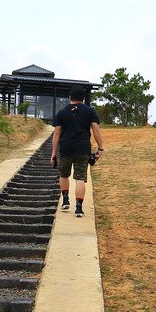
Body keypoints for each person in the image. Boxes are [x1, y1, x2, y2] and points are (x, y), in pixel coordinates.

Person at [50, 85, 104, 217]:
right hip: (83, 149)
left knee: (64, 175)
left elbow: (56, 135)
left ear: (70, 97)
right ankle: (79, 209)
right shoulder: (90, 111)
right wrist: (100, 148)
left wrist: (53, 153)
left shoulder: (61, 113)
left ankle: (66, 200)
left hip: (66, 149)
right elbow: (96, 130)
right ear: (83, 99)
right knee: (80, 178)